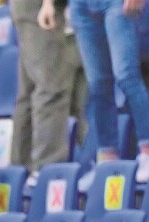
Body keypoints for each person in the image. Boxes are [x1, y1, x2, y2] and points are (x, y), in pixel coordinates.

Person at [68, 0, 149, 181]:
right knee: (97, 84)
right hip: (80, 4)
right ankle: (107, 159)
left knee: (126, 77)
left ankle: (147, 152)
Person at [10, 0, 81, 174]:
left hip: (29, 7)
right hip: (40, 7)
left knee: (29, 91)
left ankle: (21, 172)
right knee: (52, 89)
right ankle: (47, 170)